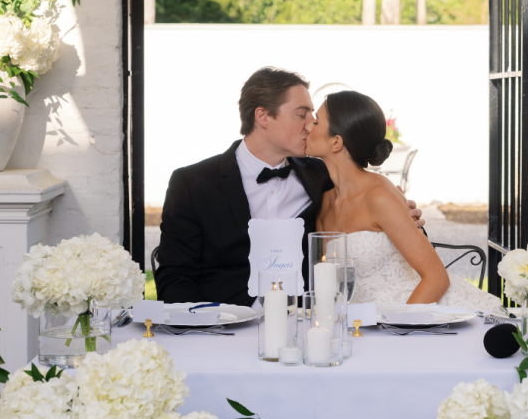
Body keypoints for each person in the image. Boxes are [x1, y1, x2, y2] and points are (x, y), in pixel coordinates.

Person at [155, 68, 424, 306]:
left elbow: (367, 207)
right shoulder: (193, 184)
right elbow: (175, 277)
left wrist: (405, 215)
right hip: (226, 327)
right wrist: (203, 329)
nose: (310, 125)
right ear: (263, 116)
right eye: (301, 114)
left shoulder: (322, 175)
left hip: (309, 321)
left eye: (313, 116)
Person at [306, 90, 502, 310]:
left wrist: (398, 329)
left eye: (315, 122)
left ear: (336, 142)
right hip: (361, 327)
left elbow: (437, 278)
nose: (307, 126)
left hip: (417, 313)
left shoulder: (379, 195)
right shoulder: (323, 204)